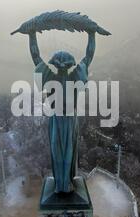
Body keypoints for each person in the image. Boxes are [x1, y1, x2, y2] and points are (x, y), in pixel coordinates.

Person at [28, 31, 96, 193]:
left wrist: (32, 35)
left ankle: (63, 183)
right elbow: (89, 56)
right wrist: (91, 35)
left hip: (62, 119)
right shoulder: (71, 77)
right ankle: (62, 184)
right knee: (65, 152)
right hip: (63, 119)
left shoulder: (53, 77)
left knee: (61, 152)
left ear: (55, 64)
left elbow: (35, 57)